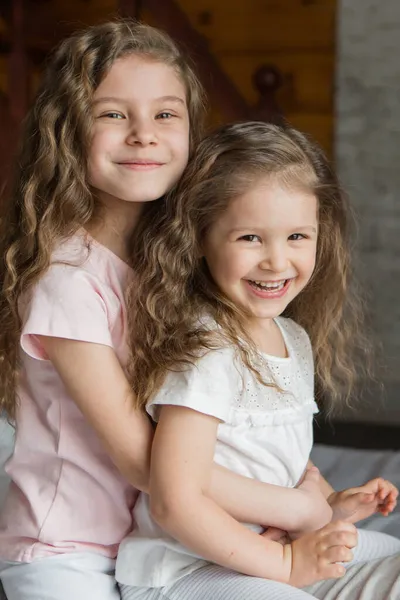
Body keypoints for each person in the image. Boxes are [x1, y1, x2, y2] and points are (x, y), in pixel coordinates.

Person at [0, 19, 351, 600]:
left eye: (166, 114)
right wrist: (296, 507)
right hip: (70, 551)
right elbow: (146, 462)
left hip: (169, 539)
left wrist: (310, 489)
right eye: (112, 114)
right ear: (65, 131)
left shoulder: (178, 257)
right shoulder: (65, 280)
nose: (143, 135)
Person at [115, 121, 400, 600]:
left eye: (296, 237)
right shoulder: (205, 350)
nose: (276, 261)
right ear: (201, 239)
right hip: (189, 567)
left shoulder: (292, 338)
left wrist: (333, 503)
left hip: (276, 549)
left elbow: (277, 458)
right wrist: (284, 564)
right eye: (250, 238)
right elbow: (173, 501)